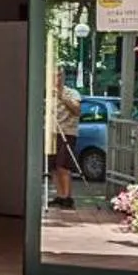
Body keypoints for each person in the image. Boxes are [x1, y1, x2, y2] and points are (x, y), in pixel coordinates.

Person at [46, 64, 82, 209]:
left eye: (60, 75)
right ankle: (60, 195)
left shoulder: (72, 93)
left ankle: (67, 196)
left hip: (67, 132)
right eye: (54, 75)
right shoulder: (49, 94)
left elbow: (77, 110)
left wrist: (62, 96)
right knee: (53, 166)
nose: (57, 78)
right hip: (52, 132)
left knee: (63, 166)